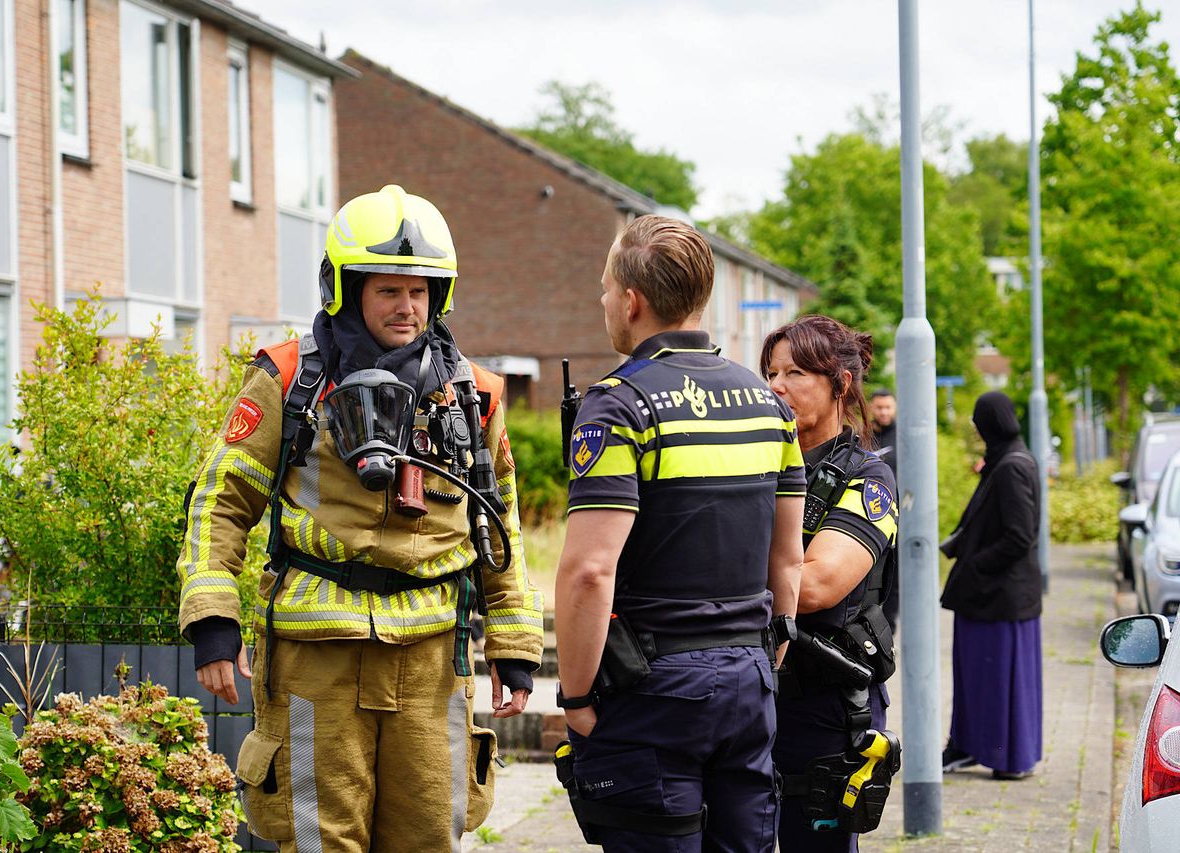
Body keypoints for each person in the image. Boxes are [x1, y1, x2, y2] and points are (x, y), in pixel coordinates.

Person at [176, 185, 544, 852]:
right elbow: (221, 501)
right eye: (388, 290)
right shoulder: (288, 380)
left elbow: (501, 529)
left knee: (429, 835)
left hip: (433, 660)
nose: (408, 307)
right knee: (321, 838)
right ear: (345, 289)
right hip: (319, 658)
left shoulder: (474, 397)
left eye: (421, 291)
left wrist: (514, 650)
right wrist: (212, 620)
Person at [553, 215, 805, 852]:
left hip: (653, 687)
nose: (603, 299)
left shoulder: (619, 405)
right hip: (749, 679)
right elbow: (788, 556)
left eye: (607, 288)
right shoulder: (769, 406)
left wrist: (577, 695)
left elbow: (589, 571)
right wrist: (772, 643)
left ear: (632, 302)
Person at [761, 315, 899, 853]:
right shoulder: (756, 468)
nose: (776, 386)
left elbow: (817, 586)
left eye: (796, 372)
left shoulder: (867, 479)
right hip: (752, 698)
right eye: (771, 372)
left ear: (841, 384)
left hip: (825, 707)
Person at [940, 391, 1042, 781]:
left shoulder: (1012, 465)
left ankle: (1009, 756)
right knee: (978, 678)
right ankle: (971, 747)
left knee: (1002, 681)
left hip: (1001, 597)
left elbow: (1020, 536)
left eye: (978, 420)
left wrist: (976, 566)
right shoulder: (1007, 458)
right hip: (990, 596)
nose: (976, 427)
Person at [869, 389, 900, 632]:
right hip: (870, 515)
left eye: (888, 407)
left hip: (898, 519)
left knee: (893, 576)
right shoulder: (865, 436)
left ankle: (889, 626)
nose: (884, 412)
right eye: (879, 407)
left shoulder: (903, 436)